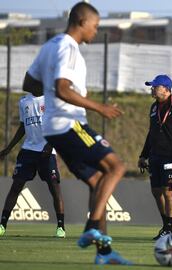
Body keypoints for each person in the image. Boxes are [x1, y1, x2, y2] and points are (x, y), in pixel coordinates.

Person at [22, 2, 132, 265]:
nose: (96, 31)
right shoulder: (69, 48)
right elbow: (62, 88)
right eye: (95, 26)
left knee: (98, 183)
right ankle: (90, 228)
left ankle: (103, 254)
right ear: (82, 22)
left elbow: (29, 83)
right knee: (116, 167)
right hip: (68, 123)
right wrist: (99, 107)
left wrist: (52, 90)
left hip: (52, 128)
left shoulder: (50, 45)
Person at [0, 93, 65, 238]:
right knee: (16, 187)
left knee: (54, 188)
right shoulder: (24, 101)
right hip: (28, 150)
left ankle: (61, 227)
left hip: (47, 152)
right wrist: (9, 148)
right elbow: (23, 127)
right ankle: (2, 225)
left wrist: (50, 145)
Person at [138, 74, 172, 240]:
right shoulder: (154, 108)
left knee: (168, 192)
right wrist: (144, 155)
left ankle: (169, 228)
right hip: (155, 156)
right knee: (156, 191)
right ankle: (167, 226)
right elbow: (151, 133)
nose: (152, 89)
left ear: (167, 90)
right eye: (152, 86)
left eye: (155, 86)